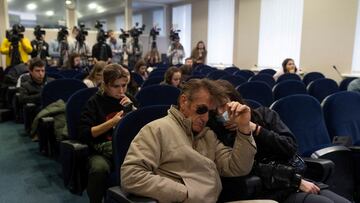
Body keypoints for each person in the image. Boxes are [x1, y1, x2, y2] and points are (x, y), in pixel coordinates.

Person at [207, 79, 351, 203]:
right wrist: (296, 181)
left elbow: (290, 147)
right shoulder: (218, 134)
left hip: (294, 177)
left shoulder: (264, 115)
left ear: (235, 101)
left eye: (223, 106)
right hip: (269, 188)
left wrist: (255, 128)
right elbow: (250, 168)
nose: (221, 113)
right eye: (215, 110)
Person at [121, 78, 257, 203]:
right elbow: (132, 175)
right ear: (184, 101)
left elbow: (237, 167)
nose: (206, 118)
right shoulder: (157, 129)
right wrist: (186, 193)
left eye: (210, 112)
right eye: (201, 109)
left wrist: (244, 128)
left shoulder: (208, 135)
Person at [79, 64, 136, 203]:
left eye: (124, 85)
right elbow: (85, 133)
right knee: (99, 169)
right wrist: (112, 122)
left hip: (126, 148)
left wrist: (134, 110)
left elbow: (143, 128)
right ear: (105, 85)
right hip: (100, 150)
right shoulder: (94, 102)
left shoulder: (128, 99)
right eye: (116, 86)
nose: (121, 90)